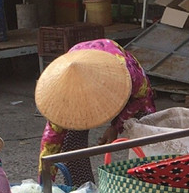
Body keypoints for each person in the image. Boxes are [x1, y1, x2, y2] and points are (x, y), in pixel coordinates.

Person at [35, 39, 155, 184]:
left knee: (148, 126)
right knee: (71, 144)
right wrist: (44, 184)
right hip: (77, 66)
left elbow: (142, 98)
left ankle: (150, 183)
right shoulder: (63, 97)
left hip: (113, 68)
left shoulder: (129, 74)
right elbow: (51, 142)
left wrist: (116, 126)